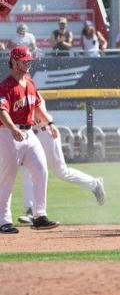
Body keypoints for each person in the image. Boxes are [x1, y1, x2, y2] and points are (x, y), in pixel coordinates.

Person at [17, 93, 106, 224]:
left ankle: (94, 184)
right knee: (28, 171)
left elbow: (36, 114)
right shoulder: (15, 92)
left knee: (61, 171)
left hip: (46, 132)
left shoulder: (31, 91)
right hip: (31, 135)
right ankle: (30, 210)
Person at [0, 46, 59, 234]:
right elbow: (2, 111)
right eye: (24, 60)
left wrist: (49, 123)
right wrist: (12, 128)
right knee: (7, 178)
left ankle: (40, 216)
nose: (28, 63)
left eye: (29, 60)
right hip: (8, 134)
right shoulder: (6, 85)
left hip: (29, 134)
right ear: (15, 62)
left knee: (41, 171)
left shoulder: (30, 83)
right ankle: (3, 220)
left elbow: (37, 107)